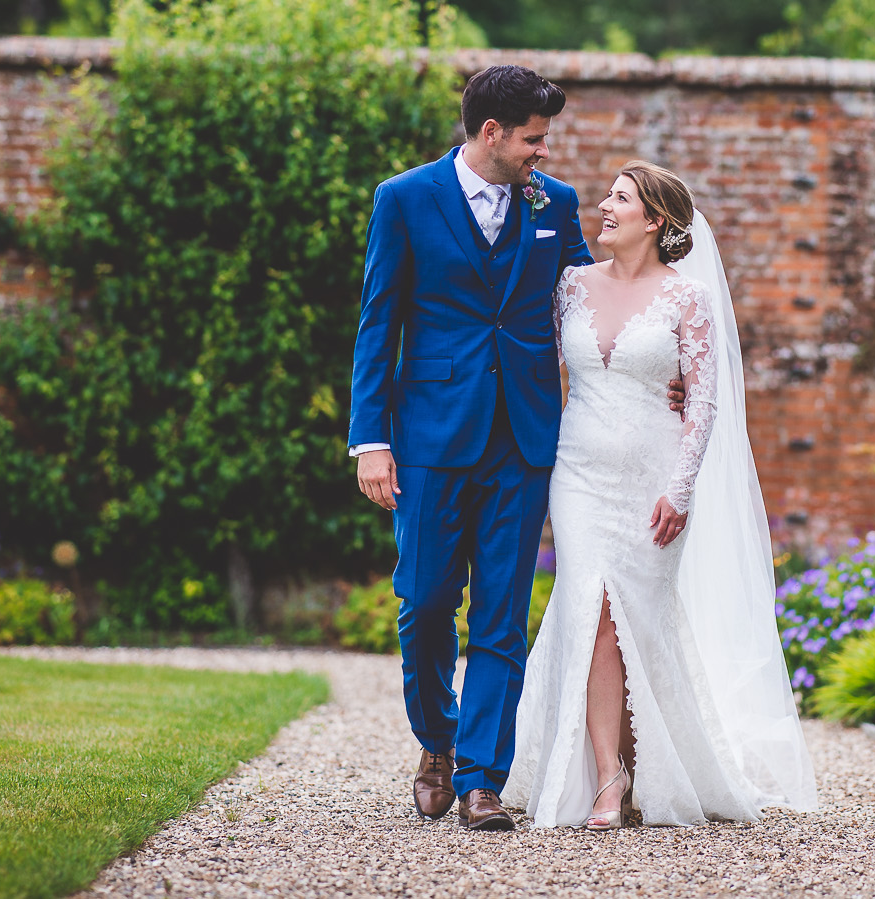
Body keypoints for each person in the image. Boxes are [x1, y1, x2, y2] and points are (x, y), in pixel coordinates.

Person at [348, 66, 681, 831]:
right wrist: (372, 439)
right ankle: (436, 739)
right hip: (429, 433)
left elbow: (592, 294)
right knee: (426, 599)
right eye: (534, 138)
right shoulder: (403, 199)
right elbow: (378, 319)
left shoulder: (553, 202)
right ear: (491, 133)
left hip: (526, 437)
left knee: (501, 611)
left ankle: (479, 778)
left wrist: (658, 362)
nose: (544, 152)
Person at [504, 161, 818, 829]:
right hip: (579, 472)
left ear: (656, 220)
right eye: (608, 195)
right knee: (591, 614)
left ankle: (645, 760)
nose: (604, 205)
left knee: (628, 621)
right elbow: (532, 365)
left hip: (655, 479)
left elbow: (702, 399)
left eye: (620, 198)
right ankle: (608, 776)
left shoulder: (687, 298)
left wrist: (679, 487)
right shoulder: (568, 286)